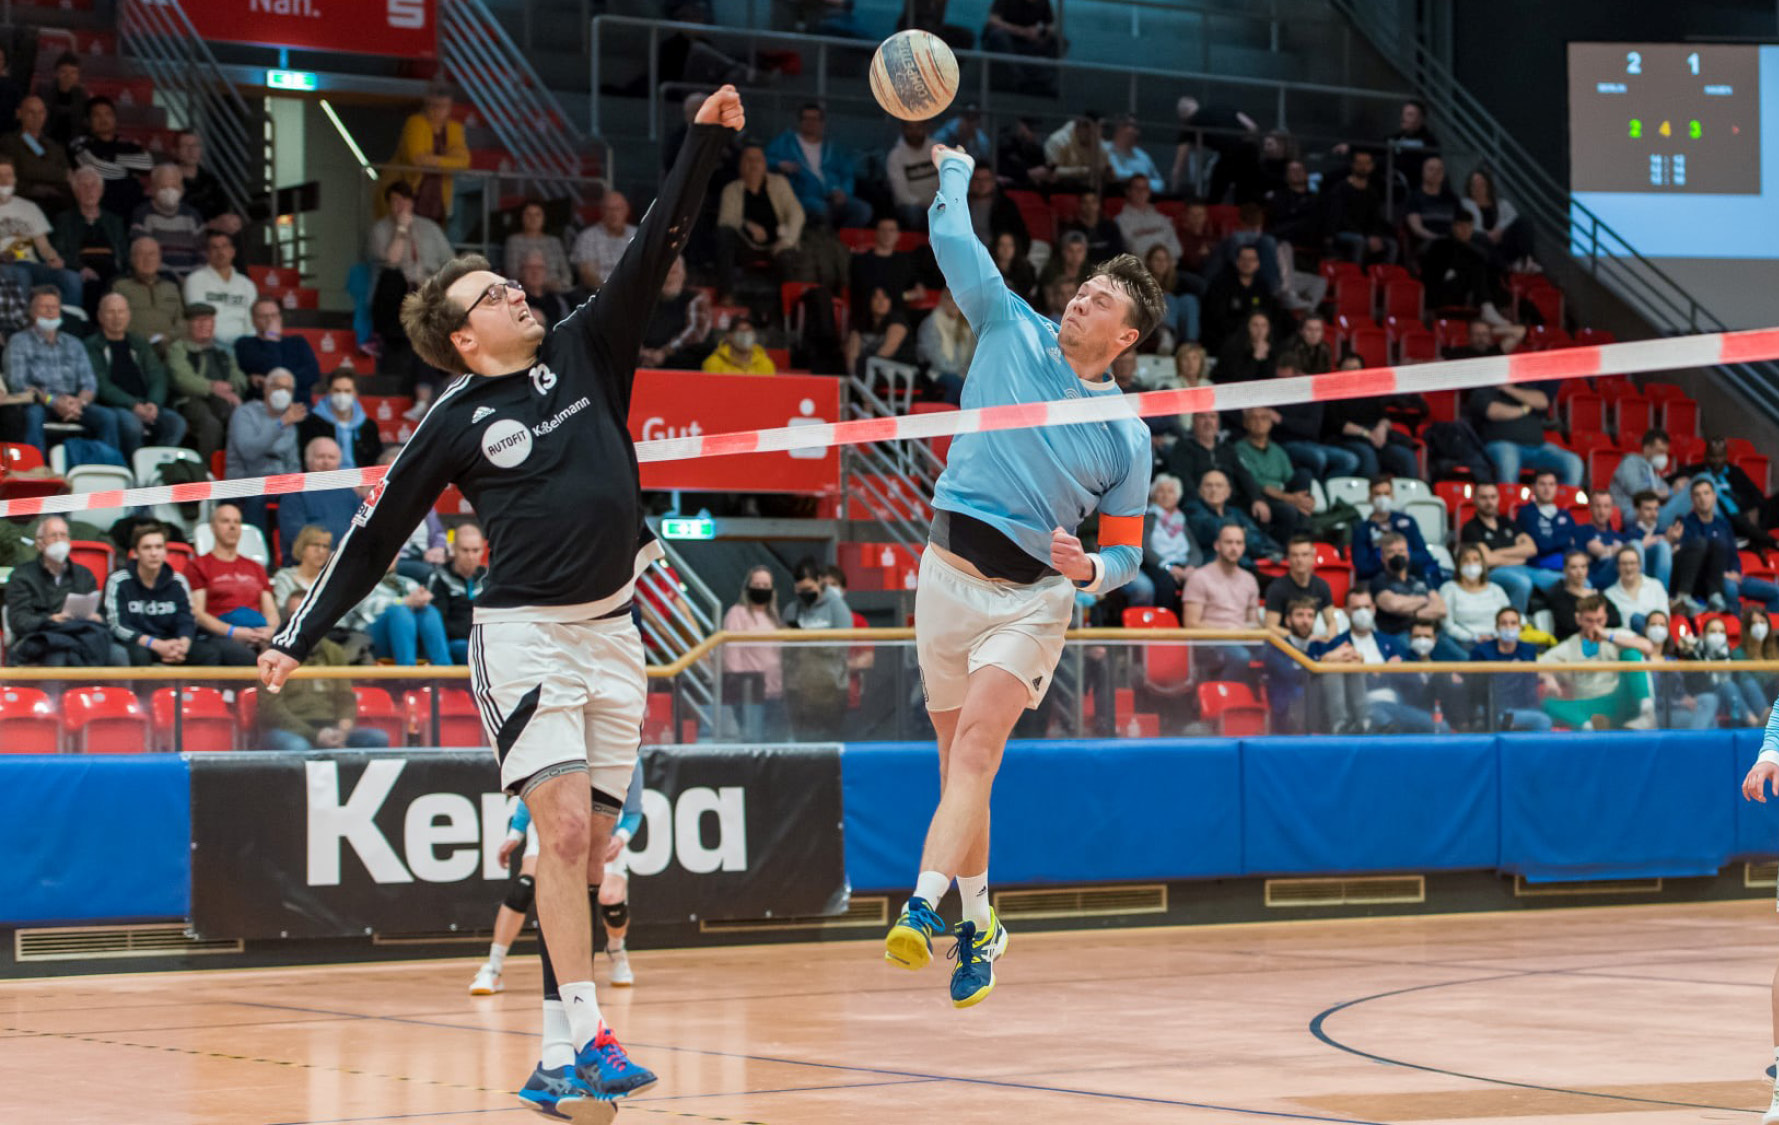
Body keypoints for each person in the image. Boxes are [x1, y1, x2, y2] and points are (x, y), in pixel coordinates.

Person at [261, 85, 743, 1113]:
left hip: (616, 636)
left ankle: (558, 1060)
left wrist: (704, 145)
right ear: (464, 339)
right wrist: (300, 630)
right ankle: (589, 1037)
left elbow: (656, 240)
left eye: (513, 287)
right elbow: (376, 533)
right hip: (524, 638)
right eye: (491, 296)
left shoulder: (588, 347)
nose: (518, 292)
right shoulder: (452, 417)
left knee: (591, 848)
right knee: (561, 837)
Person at [886, 141, 1161, 1009]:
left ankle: (922, 908)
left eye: (1101, 300)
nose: (1080, 297)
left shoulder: (1127, 433)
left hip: (1032, 601)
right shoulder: (1009, 325)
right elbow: (954, 247)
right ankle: (982, 922)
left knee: (976, 749)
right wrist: (955, 176)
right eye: (1083, 288)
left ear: (1124, 338)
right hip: (944, 573)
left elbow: (1127, 551)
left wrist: (1093, 570)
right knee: (954, 766)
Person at [105, 522, 255, 667]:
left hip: (171, 641)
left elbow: (186, 619)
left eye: (159, 547)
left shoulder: (178, 580)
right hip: (139, 643)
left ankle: (202, 693)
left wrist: (184, 643)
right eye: (147, 547)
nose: (154, 553)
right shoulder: (118, 580)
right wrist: (155, 644)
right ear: (135, 553)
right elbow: (117, 625)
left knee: (208, 653)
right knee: (138, 655)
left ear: (165, 552)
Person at [6, 286, 121, 457]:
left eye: (55, 307)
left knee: (107, 417)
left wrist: (78, 403)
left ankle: (107, 470)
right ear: (31, 312)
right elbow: (18, 384)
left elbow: (89, 383)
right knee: (33, 415)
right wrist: (54, 402)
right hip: (39, 403)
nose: (51, 311)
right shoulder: (19, 342)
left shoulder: (74, 343)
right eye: (44, 307)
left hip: (73, 403)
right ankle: (35, 472)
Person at [4, 515, 117, 667]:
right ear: (39, 544)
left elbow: (100, 612)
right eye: (53, 536)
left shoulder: (84, 575)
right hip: (41, 637)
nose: (59, 540)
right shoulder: (22, 576)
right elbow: (19, 620)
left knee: (118, 654)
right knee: (59, 655)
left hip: (80, 634)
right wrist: (50, 619)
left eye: (63, 535)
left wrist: (97, 617)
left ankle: (101, 691)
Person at [1538, 594, 1655, 730]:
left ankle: (1647, 713)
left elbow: (1648, 647)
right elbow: (1536, 666)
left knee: (1631, 652)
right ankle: (1589, 727)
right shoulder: (1569, 646)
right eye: (1589, 621)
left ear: (1605, 618)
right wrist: (1548, 677)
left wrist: (1607, 636)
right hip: (1587, 704)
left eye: (1599, 620)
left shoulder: (1616, 636)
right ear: (1578, 619)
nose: (1595, 626)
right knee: (1549, 704)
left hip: (1618, 700)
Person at [256, 633, 391, 751]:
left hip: (330, 726)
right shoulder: (274, 654)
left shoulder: (333, 651)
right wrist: (315, 735)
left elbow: (346, 698)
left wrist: (343, 729)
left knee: (377, 738)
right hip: (289, 730)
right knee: (298, 747)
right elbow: (272, 710)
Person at [88, 291, 187, 452]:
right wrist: (133, 405)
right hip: (113, 406)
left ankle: (157, 467)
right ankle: (132, 469)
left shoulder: (139, 342)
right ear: (100, 316)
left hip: (145, 403)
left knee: (176, 423)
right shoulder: (92, 345)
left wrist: (153, 403)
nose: (117, 317)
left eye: (121, 312)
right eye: (111, 312)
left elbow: (157, 375)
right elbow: (101, 384)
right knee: (131, 425)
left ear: (128, 315)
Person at [469, 798, 542, 995]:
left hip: (588, 825)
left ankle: (615, 953)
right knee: (523, 888)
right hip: (547, 825)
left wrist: (618, 836)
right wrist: (515, 834)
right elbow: (531, 784)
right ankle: (493, 968)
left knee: (605, 900)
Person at [1309, 587, 1407, 734]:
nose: (1363, 613)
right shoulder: (1336, 644)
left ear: (1374, 608)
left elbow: (1410, 679)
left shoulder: (1392, 642)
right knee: (1382, 722)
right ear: (1346, 611)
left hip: (1397, 703)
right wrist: (1383, 672)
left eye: (1366, 607)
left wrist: (1387, 673)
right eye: (1357, 608)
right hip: (1364, 706)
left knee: (1437, 726)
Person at [715, 142, 804, 295]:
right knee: (724, 234)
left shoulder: (779, 184)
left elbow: (797, 213)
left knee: (787, 259)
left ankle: (790, 311)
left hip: (778, 244)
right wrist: (746, 225)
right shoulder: (731, 190)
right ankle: (726, 296)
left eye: (758, 160)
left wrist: (787, 241)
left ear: (765, 164)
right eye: (748, 160)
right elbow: (725, 221)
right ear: (740, 165)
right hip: (747, 246)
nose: (753, 164)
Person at [189, 503, 280, 653]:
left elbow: (270, 610)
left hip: (258, 632)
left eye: (237, 522)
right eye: (225, 521)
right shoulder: (199, 565)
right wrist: (232, 632)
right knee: (243, 656)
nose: (232, 527)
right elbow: (198, 613)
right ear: (213, 527)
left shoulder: (255, 567)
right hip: (220, 635)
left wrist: (270, 631)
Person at [767, 103, 870, 228]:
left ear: (822, 123)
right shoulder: (786, 142)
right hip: (803, 196)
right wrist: (779, 164)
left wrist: (843, 191)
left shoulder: (833, 149)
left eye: (815, 119)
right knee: (820, 209)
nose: (810, 122)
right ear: (800, 122)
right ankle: (822, 242)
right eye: (806, 118)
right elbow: (764, 160)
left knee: (863, 210)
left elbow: (847, 173)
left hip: (832, 195)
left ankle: (840, 242)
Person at [225, 367, 302, 534]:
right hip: (246, 480)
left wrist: (294, 485)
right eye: (277, 386)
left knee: (300, 498)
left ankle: (294, 553)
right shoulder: (245, 413)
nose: (282, 392)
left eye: (288, 389)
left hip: (279, 484)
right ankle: (256, 552)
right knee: (257, 495)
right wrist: (280, 424)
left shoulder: (291, 423)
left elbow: (294, 465)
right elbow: (249, 452)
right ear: (266, 388)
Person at [169, 302, 249, 462]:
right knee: (210, 424)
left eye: (209, 321)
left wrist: (232, 388)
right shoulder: (179, 348)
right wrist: (212, 387)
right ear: (188, 324)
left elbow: (238, 376)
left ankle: (237, 469)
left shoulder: (223, 349)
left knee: (238, 418)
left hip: (223, 399)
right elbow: (182, 378)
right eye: (199, 321)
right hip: (190, 400)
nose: (204, 325)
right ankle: (206, 471)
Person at [0, 154, 81, 310]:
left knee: (72, 278)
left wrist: (53, 258)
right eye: (0, 176)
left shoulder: (29, 208)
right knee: (21, 275)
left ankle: (70, 326)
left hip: (29, 264)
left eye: (8, 175)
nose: (4, 181)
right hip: (4, 266)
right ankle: (23, 327)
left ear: (15, 179)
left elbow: (44, 246)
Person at [384, 85, 471, 226]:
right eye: (434, 106)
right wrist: (448, 162)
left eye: (443, 106)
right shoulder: (415, 123)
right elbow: (417, 158)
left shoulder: (454, 128)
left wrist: (433, 160)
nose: (438, 110)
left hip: (438, 198)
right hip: (412, 191)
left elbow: (464, 162)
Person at [1466, 381, 1582, 486]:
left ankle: (1563, 505)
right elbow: (1494, 412)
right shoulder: (1483, 391)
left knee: (1573, 462)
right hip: (1502, 445)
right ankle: (1509, 502)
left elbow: (1542, 401)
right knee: (1508, 459)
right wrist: (1524, 409)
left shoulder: (1525, 388)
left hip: (1538, 449)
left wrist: (1509, 389)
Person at [343, 557, 452, 665]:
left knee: (429, 611)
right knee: (400, 612)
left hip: (410, 636)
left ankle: (444, 670)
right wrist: (406, 601)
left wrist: (423, 600)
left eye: (394, 552)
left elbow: (419, 603)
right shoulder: (360, 582)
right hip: (371, 638)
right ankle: (407, 674)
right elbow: (368, 606)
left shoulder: (408, 582)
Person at [1458, 479, 1546, 611]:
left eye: (1493, 497)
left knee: (1559, 580)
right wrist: (1519, 557)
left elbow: (1531, 549)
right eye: (1484, 497)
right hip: (1495, 572)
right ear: (1475, 499)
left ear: (1498, 498)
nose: (1489, 502)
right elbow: (1486, 560)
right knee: (1523, 583)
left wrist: (1496, 553)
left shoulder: (1507, 522)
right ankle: (1516, 622)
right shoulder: (1471, 527)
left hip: (1523, 569)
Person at [1370, 531, 1461, 657]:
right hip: (1401, 635)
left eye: (1401, 551)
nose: (1397, 555)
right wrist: (1425, 600)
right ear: (1383, 557)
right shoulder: (1379, 581)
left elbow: (1441, 609)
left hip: (1432, 634)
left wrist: (1409, 610)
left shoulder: (1419, 579)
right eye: (1391, 552)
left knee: (1465, 660)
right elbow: (1393, 604)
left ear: (1408, 553)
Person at [53, 165, 127, 315]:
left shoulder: (114, 221)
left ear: (101, 190)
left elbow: (124, 252)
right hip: (82, 271)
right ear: (75, 191)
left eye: (93, 185)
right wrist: (80, 268)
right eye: (83, 186)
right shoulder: (64, 220)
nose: (89, 190)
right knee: (92, 287)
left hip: (112, 271)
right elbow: (59, 252)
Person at [276, 437, 361, 564]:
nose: (326, 462)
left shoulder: (350, 494)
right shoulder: (295, 493)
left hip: (347, 563)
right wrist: (327, 554)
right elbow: (295, 536)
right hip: (307, 565)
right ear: (308, 460)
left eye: (331, 457)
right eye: (320, 457)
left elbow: (362, 529)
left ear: (339, 462)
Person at [1235, 406, 1313, 541]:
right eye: (1254, 418)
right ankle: (1286, 547)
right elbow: (1255, 483)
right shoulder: (1239, 448)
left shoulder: (1278, 450)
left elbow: (1289, 478)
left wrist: (1304, 499)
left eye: (1264, 418)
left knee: (1304, 474)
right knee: (1288, 511)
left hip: (1282, 494)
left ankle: (1302, 529)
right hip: (1258, 497)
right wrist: (1289, 498)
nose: (1259, 422)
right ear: (1245, 423)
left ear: (1271, 423)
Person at [1468, 605, 1551, 732]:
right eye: (1504, 623)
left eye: (1513, 623)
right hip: (1491, 708)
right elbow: (1474, 688)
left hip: (1521, 708)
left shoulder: (1528, 650)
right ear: (1496, 627)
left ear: (1520, 627)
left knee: (1542, 719)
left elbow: (1530, 682)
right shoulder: (1482, 651)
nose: (1509, 627)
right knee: (1541, 720)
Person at [69, 96, 151, 218]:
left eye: (108, 114)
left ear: (115, 119)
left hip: (131, 206)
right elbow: (96, 166)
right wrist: (125, 167)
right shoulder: (81, 144)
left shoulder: (128, 145)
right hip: (100, 206)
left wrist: (109, 157)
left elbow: (147, 165)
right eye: (97, 115)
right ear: (88, 121)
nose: (104, 119)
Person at [1352, 476, 1439, 585]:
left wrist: (1402, 559)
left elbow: (1423, 555)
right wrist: (1388, 561)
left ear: (1392, 496)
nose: (1382, 498)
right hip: (1379, 581)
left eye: (1386, 493)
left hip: (1413, 576)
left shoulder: (1407, 521)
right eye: (1377, 494)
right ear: (1370, 497)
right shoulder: (1361, 529)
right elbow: (1362, 567)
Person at [235, 297, 321, 404]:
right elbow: (271, 369)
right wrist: (271, 337)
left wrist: (278, 382)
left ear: (280, 317)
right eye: (264, 316)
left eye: (274, 315)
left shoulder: (298, 342)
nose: (270, 320)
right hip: (264, 407)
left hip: (299, 405)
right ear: (253, 321)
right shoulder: (245, 344)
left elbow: (313, 374)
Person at [1133, 473, 1198, 612]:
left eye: (1170, 491)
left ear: (1177, 496)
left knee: (1199, 580)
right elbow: (1145, 547)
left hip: (1182, 565)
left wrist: (1190, 567)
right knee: (1166, 583)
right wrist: (1168, 567)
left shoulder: (1181, 519)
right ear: (1153, 495)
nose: (1165, 495)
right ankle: (1164, 627)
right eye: (1161, 491)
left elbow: (1194, 549)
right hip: (1158, 565)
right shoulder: (1148, 517)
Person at [1185, 467, 1279, 564]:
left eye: (1219, 485)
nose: (1213, 490)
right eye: (1208, 485)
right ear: (1200, 491)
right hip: (1212, 565)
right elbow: (1212, 531)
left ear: (1228, 492)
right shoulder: (1192, 509)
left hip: (1244, 563)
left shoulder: (1236, 512)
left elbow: (1258, 538)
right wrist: (1242, 532)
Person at [1201, 242, 1281, 353]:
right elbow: (1216, 318)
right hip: (1225, 338)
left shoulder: (1262, 286)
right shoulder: (1221, 283)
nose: (1247, 263)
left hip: (1256, 337)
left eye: (1252, 259)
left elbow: (1269, 313)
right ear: (1237, 261)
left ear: (1258, 263)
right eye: (1243, 259)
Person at [131, 164, 207, 279]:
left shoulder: (193, 216)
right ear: (153, 189)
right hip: (159, 280)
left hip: (192, 281)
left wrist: (193, 280)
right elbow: (143, 255)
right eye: (163, 187)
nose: (169, 191)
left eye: (174, 186)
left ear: (182, 189)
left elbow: (203, 253)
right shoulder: (142, 214)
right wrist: (174, 278)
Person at [182, 230, 257, 345]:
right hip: (210, 345)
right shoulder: (195, 280)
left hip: (243, 345)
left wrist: (247, 345)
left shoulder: (247, 284)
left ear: (232, 252)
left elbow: (252, 323)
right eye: (214, 248)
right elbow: (199, 320)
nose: (220, 252)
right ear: (207, 254)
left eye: (224, 247)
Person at [299, 368, 383, 470]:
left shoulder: (368, 426)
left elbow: (375, 460)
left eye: (347, 391)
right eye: (337, 390)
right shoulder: (311, 424)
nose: (342, 395)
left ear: (356, 393)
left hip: (361, 482)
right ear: (329, 391)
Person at [427, 521, 486, 664]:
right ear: (453, 549)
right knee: (468, 649)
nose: (471, 556)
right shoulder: (440, 578)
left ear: (483, 550)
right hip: (455, 644)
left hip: (488, 643)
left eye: (475, 550)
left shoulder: (490, 579)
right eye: (465, 550)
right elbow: (437, 624)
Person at [1325, 149, 1396, 265]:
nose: (1363, 167)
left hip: (1365, 234)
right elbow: (1339, 217)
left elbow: (1375, 218)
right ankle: (1356, 275)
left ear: (1372, 166)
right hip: (1344, 232)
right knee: (1359, 241)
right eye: (1360, 163)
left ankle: (1385, 277)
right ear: (1353, 164)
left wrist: (1374, 235)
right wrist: (1366, 236)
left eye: (1367, 163)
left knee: (1391, 244)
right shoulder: (1340, 189)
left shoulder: (1372, 192)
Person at [113, 236, 186, 349]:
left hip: (170, 347)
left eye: (152, 254)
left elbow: (182, 321)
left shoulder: (172, 287)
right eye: (141, 254)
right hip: (135, 348)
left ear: (159, 259)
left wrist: (168, 338)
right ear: (132, 259)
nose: (147, 259)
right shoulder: (120, 286)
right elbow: (114, 322)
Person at [1, 97, 73, 210]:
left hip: (55, 206)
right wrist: (61, 175)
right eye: (31, 112)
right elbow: (25, 170)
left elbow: (70, 181)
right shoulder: (8, 142)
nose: (37, 117)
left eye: (41, 112)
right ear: (19, 114)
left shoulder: (55, 147)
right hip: (21, 204)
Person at [849, 215, 925, 322]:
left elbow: (920, 292)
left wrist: (901, 295)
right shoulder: (861, 261)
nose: (887, 234)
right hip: (868, 317)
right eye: (883, 230)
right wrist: (904, 295)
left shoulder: (905, 261)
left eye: (891, 230)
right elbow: (872, 292)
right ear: (876, 233)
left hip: (899, 318)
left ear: (898, 235)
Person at [1263, 596, 1321, 733]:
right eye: (1300, 615)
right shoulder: (1275, 646)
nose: (1305, 621)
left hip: (1316, 707)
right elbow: (1292, 674)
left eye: (1310, 616)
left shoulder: (1320, 646)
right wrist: (1323, 660)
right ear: (1288, 620)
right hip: (1285, 708)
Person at [1610, 428, 1689, 528]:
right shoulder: (1630, 463)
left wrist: (1676, 488)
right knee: (1695, 485)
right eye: (1660, 451)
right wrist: (1671, 492)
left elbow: (1663, 489)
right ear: (1647, 448)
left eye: (1665, 453)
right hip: (1632, 513)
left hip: (1653, 512)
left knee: (1690, 488)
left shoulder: (1651, 469)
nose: (1664, 456)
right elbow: (1640, 494)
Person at [1438, 543, 1510, 650]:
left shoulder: (1496, 590)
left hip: (1496, 641)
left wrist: (1494, 636)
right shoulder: (1448, 589)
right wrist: (1473, 637)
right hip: (1463, 643)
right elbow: (1448, 625)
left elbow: (1508, 616)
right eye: (1466, 560)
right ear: (1458, 565)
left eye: (1476, 560)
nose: (1471, 564)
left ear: (1483, 563)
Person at [1461, 167, 1535, 270]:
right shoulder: (1464, 205)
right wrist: (1486, 236)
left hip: (1503, 246)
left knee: (1524, 221)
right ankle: (1502, 265)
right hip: (1482, 247)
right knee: (1471, 236)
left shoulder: (1502, 204)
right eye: (1474, 184)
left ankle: (1527, 260)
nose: (1478, 188)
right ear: (1469, 187)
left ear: (1488, 186)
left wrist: (1500, 230)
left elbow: (1513, 219)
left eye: (1481, 184)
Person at [1264, 534, 1336, 637]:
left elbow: (1332, 622)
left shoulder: (1322, 586)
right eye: (1295, 555)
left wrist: (1328, 640)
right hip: (1285, 647)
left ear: (1313, 557)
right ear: (1288, 559)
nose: (1299, 559)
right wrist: (1299, 639)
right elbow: (1270, 627)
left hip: (1313, 645)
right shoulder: (1277, 588)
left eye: (1304, 555)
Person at [982, 0, 1060, 95]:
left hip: (1028, 43)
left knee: (1055, 42)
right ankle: (1018, 78)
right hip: (1007, 40)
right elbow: (993, 20)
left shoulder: (1043, 2)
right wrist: (1022, 31)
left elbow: (1050, 26)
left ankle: (1046, 80)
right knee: (998, 36)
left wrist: (1039, 32)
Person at [1515, 468, 1579, 578]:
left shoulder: (1564, 514)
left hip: (1567, 565)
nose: (1547, 489)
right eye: (1542, 484)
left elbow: (1575, 543)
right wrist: (1565, 539)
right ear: (1533, 487)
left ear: (1556, 488)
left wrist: (1554, 541)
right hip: (1538, 568)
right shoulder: (1526, 513)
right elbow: (1540, 546)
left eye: (1551, 484)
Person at [1546, 549, 1621, 640]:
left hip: (1601, 639)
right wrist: (1599, 623)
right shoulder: (1558, 595)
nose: (1579, 571)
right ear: (1565, 570)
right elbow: (1568, 626)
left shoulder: (1597, 594)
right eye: (1574, 567)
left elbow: (1616, 619)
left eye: (1583, 566)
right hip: (1572, 642)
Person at [570, 190, 636, 292]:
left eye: (617, 209)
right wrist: (610, 292)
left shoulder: (637, 235)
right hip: (600, 294)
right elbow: (588, 275)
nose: (613, 214)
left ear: (626, 210)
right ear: (601, 211)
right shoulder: (587, 237)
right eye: (609, 209)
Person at [503, 200, 573, 294]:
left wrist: (560, 285)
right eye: (528, 215)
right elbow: (513, 274)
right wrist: (538, 284)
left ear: (544, 218)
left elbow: (566, 274)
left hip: (557, 292)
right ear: (522, 217)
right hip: (526, 293)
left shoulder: (554, 242)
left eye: (537, 215)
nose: (533, 219)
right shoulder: (514, 241)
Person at [916, 289, 974, 402]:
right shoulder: (931, 323)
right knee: (959, 386)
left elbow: (973, 356)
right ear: (941, 301)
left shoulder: (967, 325)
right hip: (936, 372)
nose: (954, 302)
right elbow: (935, 359)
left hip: (962, 373)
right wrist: (959, 373)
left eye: (957, 299)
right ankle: (949, 417)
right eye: (949, 298)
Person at [173, 130, 236, 231]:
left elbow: (223, 208)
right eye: (185, 146)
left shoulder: (210, 180)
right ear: (176, 151)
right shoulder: (169, 180)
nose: (191, 151)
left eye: (195, 146)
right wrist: (209, 225)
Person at [844, 286, 913, 377]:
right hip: (865, 372)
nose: (881, 302)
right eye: (876, 297)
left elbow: (888, 350)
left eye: (885, 297)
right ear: (869, 301)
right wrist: (853, 376)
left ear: (891, 301)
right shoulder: (861, 324)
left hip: (897, 371)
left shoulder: (897, 321)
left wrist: (867, 368)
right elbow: (852, 354)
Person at [885, 118, 939, 231]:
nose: (914, 132)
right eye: (910, 128)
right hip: (911, 207)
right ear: (903, 129)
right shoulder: (895, 156)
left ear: (925, 128)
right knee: (913, 212)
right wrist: (926, 206)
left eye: (918, 128)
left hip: (938, 204)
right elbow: (901, 194)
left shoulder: (938, 149)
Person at [271, 524, 332, 619]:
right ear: (302, 547)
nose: (321, 551)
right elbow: (283, 610)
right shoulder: (285, 577)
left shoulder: (332, 579)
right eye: (315, 545)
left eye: (325, 546)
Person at [1114, 175, 1180, 262]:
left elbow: (1177, 250)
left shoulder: (1161, 218)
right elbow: (1134, 249)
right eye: (1136, 188)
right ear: (1128, 191)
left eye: (1145, 188)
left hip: (1169, 270)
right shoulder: (1120, 220)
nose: (1141, 192)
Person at [1403, 155, 1459, 254]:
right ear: (1423, 172)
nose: (1435, 173)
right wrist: (1437, 239)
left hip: (1452, 242)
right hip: (1426, 243)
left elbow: (1460, 223)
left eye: (1439, 170)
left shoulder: (1452, 198)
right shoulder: (1414, 198)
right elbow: (1417, 228)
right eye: (1431, 169)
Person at [1059, 190, 1123, 265]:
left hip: (1108, 269)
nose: (1089, 206)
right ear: (1080, 205)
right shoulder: (1072, 228)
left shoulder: (1110, 227)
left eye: (1093, 202)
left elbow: (1118, 253)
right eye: (1085, 202)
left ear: (1099, 205)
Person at [38, 51, 87, 147]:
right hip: (44, 148)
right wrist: (39, 152)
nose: (68, 77)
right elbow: (27, 133)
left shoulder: (82, 97)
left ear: (78, 76)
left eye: (73, 72)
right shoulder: (43, 93)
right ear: (55, 73)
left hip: (73, 149)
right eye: (63, 72)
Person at [1105, 115, 1163, 193]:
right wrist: (1141, 179)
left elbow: (1160, 184)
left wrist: (1141, 183)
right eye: (1134, 127)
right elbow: (1116, 174)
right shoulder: (1105, 149)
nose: (1137, 132)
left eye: (1137, 129)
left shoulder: (1143, 156)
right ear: (1119, 128)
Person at [702, 314, 775, 375]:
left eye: (748, 331)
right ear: (729, 336)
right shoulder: (714, 363)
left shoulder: (765, 364)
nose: (745, 335)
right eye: (741, 331)